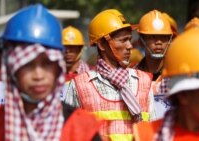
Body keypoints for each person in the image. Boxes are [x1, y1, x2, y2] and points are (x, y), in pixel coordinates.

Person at [0, 4, 101, 141]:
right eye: (27, 64)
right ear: (11, 68)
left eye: (47, 63)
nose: (39, 75)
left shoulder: (82, 127)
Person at [65, 9, 156, 141]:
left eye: (130, 40)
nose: (130, 46)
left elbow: (154, 132)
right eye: (123, 40)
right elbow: (70, 134)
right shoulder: (79, 85)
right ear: (102, 44)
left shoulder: (144, 82)